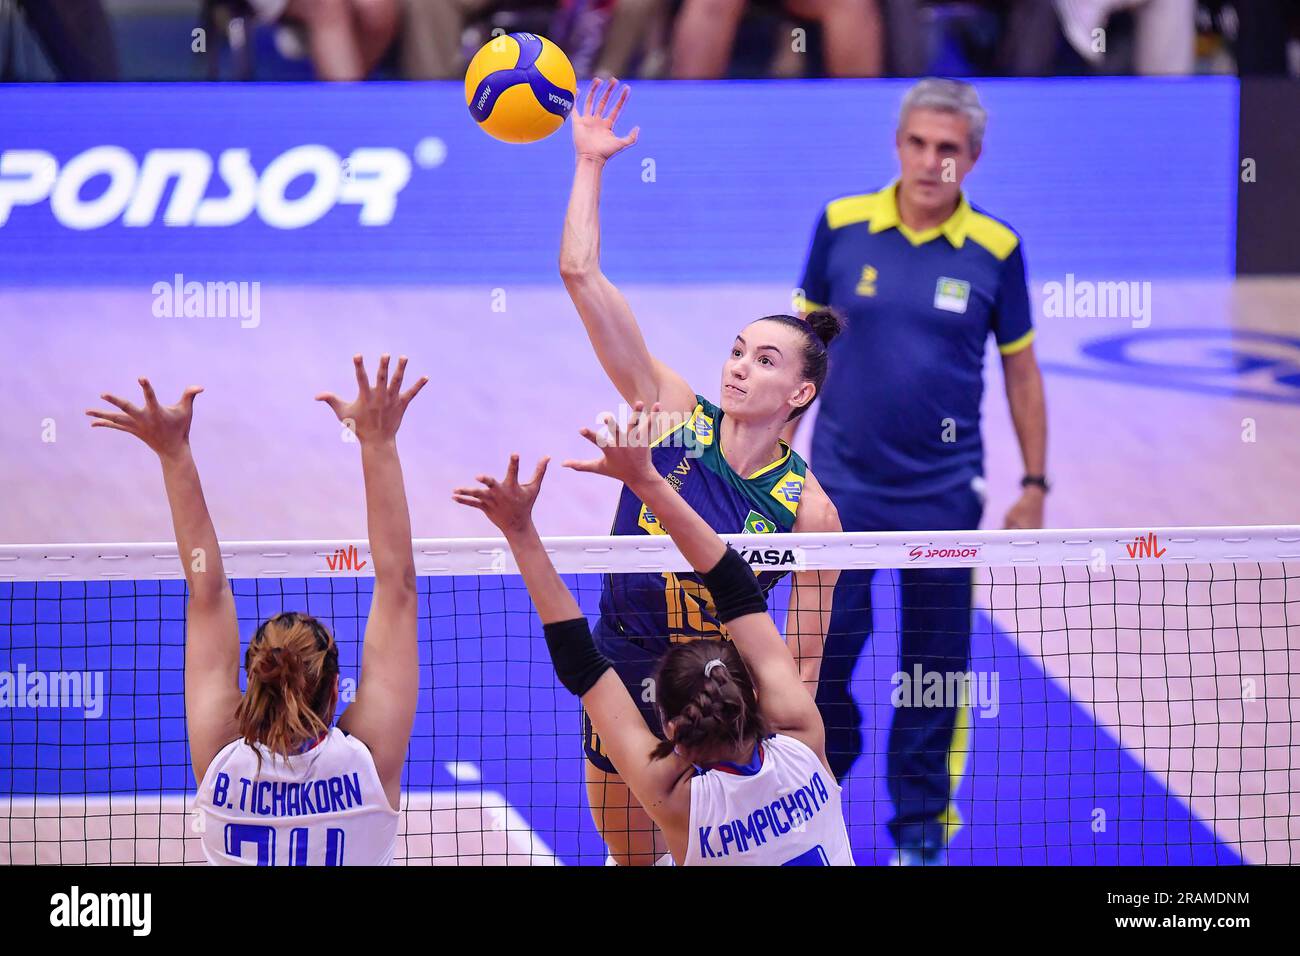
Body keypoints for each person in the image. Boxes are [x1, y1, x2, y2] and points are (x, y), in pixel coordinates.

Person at [559, 78, 843, 865]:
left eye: (765, 360)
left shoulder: (808, 512)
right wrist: (590, 163)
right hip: (619, 678)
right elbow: (581, 277)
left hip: (717, 708)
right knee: (632, 860)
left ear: (801, 391)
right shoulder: (672, 414)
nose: (739, 368)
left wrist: (780, 766)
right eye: (736, 350)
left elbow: (804, 661)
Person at [792, 78, 1048, 865]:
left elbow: (1022, 372)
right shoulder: (840, 227)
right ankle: (811, 801)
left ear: (973, 157)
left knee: (932, 672)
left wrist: (1034, 485)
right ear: (898, 145)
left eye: (949, 148)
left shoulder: (996, 250)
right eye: (919, 143)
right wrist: (766, 461)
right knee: (820, 658)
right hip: (840, 488)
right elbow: (798, 351)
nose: (932, 160)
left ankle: (920, 836)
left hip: (943, 495)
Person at [452, 402, 854, 865]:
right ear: (749, 697)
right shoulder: (802, 741)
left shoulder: (680, 803)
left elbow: (585, 664)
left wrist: (520, 531)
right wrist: (645, 481)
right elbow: (735, 588)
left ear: (668, 729)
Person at [87, 355, 428, 865]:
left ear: (254, 679)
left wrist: (173, 454)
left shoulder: (222, 761)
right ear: (335, 688)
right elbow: (396, 586)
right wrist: (377, 442)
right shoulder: (367, 764)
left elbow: (207, 594)